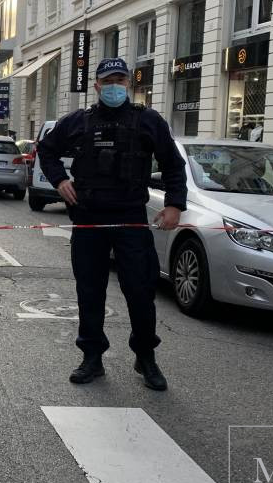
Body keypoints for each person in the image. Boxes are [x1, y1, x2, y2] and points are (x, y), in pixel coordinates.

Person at [36, 57, 187, 392]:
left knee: (141, 291)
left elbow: (173, 164)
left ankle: (145, 355)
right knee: (90, 292)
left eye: (120, 80)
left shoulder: (148, 121)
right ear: (97, 86)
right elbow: (46, 150)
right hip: (89, 219)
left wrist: (175, 205)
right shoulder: (78, 121)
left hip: (131, 219)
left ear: (128, 84)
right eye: (108, 81)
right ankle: (92, 357)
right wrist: (60, 181)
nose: (114, 86)